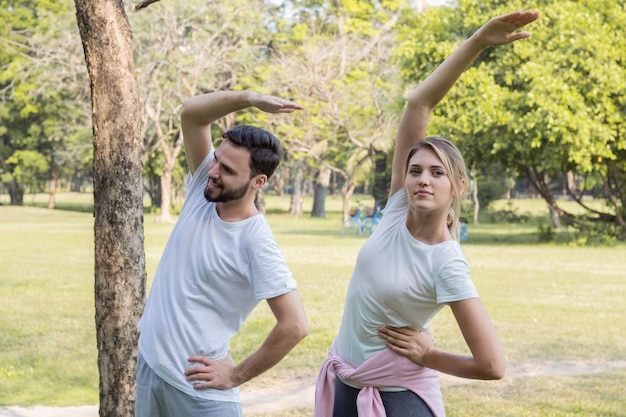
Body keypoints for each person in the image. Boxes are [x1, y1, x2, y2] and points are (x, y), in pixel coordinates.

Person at [314, 10, 539, 417]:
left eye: (438, 173)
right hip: (346, 383)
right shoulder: (397, 206)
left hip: (397, 397)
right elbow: (419, 101)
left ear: (458, 188)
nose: (423, 180)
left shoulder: (445, 260)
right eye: (415, 170)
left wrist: (428, 354)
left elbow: (492, 365)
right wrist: (477, 42)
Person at [135, 90, 309, 417]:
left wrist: (235, 375)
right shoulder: (206, 187)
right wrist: (250, 98)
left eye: (228, 170)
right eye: (217, 159)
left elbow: (295, 326)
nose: (214, 170)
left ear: (258, 182)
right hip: (151, 370)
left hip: (198, 393)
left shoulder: (255, 240)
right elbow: (191, 112)